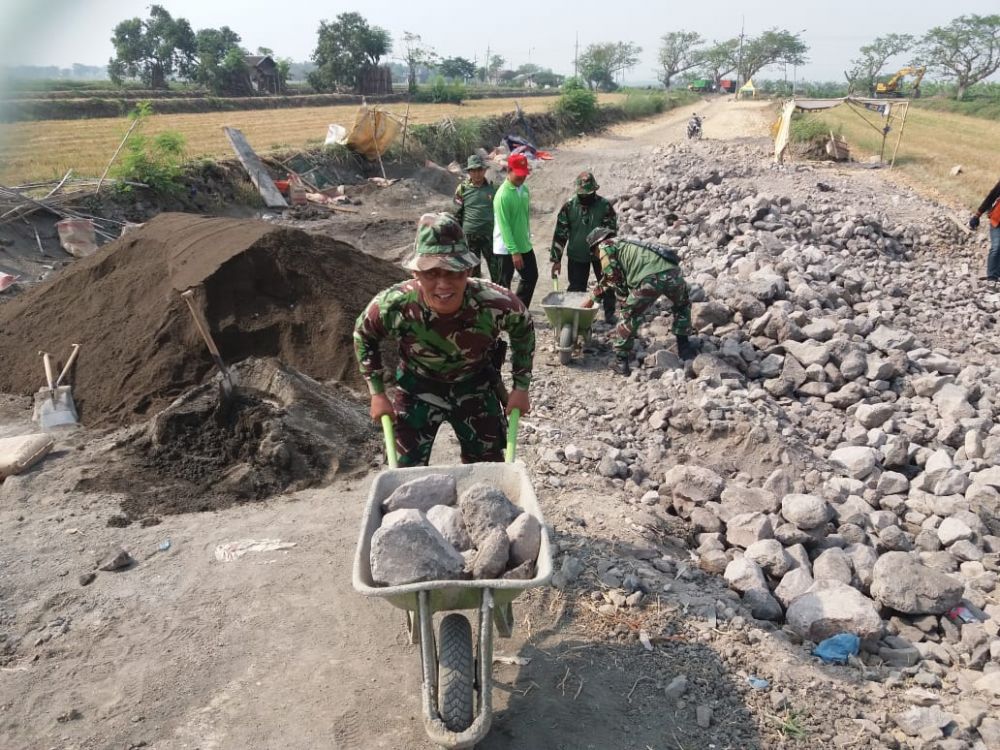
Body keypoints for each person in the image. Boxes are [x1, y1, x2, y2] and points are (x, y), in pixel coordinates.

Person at [354, 213, 534, 467]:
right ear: (416, 272)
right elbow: (363, 335)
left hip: (475, 384)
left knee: (487, 470)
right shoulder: (394, 305)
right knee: (405, 469)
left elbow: (523, 328)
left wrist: (520, 387)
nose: (443, 284)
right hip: (417, 386)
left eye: (453, 272)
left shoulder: (495, 303)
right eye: (431, 274)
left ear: (468, 269)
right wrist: (377, 393)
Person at [581, 228, 695, 375]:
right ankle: (685, 349)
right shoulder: (627, 244)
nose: (597, 256)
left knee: (629, 314)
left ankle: (620, 362)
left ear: (596, 245)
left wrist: (592, 298)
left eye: (594, 253)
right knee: (682, 307)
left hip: (650, 279)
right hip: (673, 273)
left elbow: (611, 277)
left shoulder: (605, 246)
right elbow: (621, 279)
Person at [549, 171, 618, 324]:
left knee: (607, 283)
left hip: (601, 255)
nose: (586, 197)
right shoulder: (569, 206)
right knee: (576, 287)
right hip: (577, 255)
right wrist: (556, 259)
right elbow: (561, 233)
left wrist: (610, 255)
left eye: (589, 193)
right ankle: (573, 316)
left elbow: (611, 232)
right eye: (583, 194)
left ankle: (609, 314)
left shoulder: (604, 206)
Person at [493, 152, 539, 308]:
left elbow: (524, 218)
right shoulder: (502, 196)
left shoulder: (524, 190)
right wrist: (514, 251)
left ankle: (518, 311)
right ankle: (500, 317)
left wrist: (525, 239)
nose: (522, 178)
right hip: (506, 249)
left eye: (524, 174)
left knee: (531, 276)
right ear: (508, 171)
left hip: (523, 244)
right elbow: (504, 226)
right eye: (518, 174)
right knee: (503, 287)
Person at [453, 154, 499, 282]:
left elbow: (500, 212)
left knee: (497, 271)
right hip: (470, 236)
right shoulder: (462, 189)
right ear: (469, 172)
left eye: (480, 170)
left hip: (490, 235)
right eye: (474, 170)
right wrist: (457, 238)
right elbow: (457, 214)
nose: (477, 174)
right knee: (473, 274)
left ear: (485, 170)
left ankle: (500, 299)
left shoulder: (493, 189)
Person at [969, 178, 1000, 281]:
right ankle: (992, 278)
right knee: (996, 246)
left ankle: (997, 272)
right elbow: (991, 197)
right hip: (997, 221)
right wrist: (977, 215)